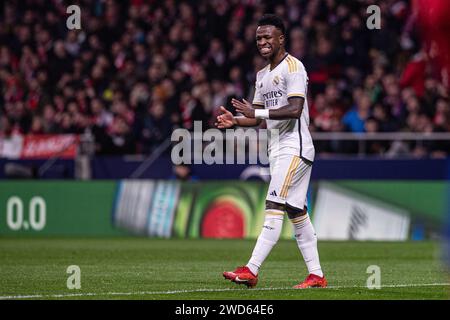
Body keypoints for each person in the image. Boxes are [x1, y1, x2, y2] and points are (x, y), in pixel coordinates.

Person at [215, 14, 326, 289]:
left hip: (295, 147)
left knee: (274, 204)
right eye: (259, 38)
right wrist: (236, 121)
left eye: (268, 37)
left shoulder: (294, 67)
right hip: (277, 150)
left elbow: (294, 109)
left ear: (281, 39)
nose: (263, 42)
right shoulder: (262, 76)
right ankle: (316, 275)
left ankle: (251, 270)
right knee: (296, 211)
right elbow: (256, 118)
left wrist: (257, 111)